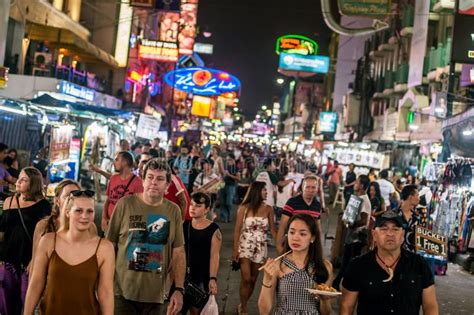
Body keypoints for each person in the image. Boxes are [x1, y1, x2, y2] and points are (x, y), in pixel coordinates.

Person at [106, 159, 185, 315]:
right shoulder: (124, 204)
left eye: (160, 178)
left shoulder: (173, 211)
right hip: (122, 293)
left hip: (155, 296)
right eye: (150, 177)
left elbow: (178, 252)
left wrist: (179, 289)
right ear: (143, 181)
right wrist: (103, 283)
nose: (154, 182)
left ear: (168, 186)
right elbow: (109, 246)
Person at [24, 189, 115, 315]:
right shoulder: (49, 241)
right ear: (67, 212)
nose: (85, 216)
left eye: (90, 211)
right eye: (78, 210)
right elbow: (35, 284)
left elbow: (106, 292)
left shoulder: (104, 248)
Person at [340, 210, 439, 315]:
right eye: (383, 229)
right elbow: (346, 307)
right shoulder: (358, 266)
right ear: (374, 234)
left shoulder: (419, 264)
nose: (390, 234)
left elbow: (430, 306)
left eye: (395, 229)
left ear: (402, 235)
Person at [258, 214, 333, 315]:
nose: (295, 238)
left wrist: (324, 300)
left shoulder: (325, 266)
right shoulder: (278, 265)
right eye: (292, 232)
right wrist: (266, 279)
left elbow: (326, 312)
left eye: (302, 234)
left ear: (313, 238)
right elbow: (264, 311)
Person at [0, 167, 52, 314]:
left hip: (29, 263)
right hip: (7, 261)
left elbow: (44, 237)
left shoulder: (44, 206)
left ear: (33, 184)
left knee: (27, 303)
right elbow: (2, 232)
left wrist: (35, 260)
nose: (18, 182)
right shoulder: (9, 202)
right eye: (19, 178)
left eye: (24, 180)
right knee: (6, 304)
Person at [30, 179, 97, 275]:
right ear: (57, 201)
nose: (71, 200)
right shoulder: (43, 226)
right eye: (67, 196)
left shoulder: (90, 227)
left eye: (75, 196)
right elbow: (35, 262)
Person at [233, 181, 277, 315]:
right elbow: (237, 230)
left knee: (253, 280)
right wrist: (235, 250)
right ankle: (244, 307)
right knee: (246, 279)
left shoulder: (269, 208)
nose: (266, 192)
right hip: (245, 246)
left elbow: (273, 230)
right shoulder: (243, 208)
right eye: (264, 190)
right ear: (256, 191)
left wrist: (281, 245)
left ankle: (243, 303)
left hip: (260, 247)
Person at [181, 192, 222, 314]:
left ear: (207, 209)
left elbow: (214, 256)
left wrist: (213, 278)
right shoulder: (184, 226)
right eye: (192, 204)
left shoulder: (213, 230)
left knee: (196, 311)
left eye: (198, 205)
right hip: (182, 276)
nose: (193, 208)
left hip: (201, 278)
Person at [332, 174, 371, 290]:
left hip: (357, 237)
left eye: (357, 182)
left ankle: (341, 283)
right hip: (351, 236)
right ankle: (340, 283)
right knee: (347, 262)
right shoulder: (356, 198)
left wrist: (352, 224)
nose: (355, 184)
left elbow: (364, 220)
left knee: (349, 263)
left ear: (362, 185)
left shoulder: (365, 201)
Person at [277, 174, 323, 254]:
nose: (310, 190)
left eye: (313, 187)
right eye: (307, 187)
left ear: (317, 189)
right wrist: (278, 246)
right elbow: (282, 226)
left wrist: (319, 246)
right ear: (302, 187)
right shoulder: (292, 202)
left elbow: (318, 227)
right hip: (293, 243)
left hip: (309, 245)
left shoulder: (317, 205)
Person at [102, 151, 143, 232]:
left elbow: (140, 208)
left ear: (125, 162)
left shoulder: (138, 182)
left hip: (125, 228)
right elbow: (107, 201)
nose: (114, 162)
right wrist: (104, 218)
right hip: (109, 224)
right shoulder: (113, 178)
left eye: (117, 159)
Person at [397, 185, 421, 252]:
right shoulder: (394, 215)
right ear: (410, 197)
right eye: (417, 195)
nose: (419, 198)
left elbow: (417, 240)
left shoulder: (416, 218)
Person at [220, 154, 240, 223]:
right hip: (223, 185)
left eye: (229, 159)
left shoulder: (235, 168)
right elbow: (222, 177)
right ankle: (224, 217)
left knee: (228, 202)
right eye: (227, 160)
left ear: (232, 160)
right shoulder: (225, 167)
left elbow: (238, 178)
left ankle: (229, 216)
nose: (227, 161)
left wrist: (230, 175)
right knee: (222, 201)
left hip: (231, 186)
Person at [368, 181, 385, 248]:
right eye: (370, 190)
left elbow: (384, 209)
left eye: (373, 190)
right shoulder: (368, 197)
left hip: (376, 221)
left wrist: (375, 214)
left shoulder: (380, 199)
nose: (371, 192)